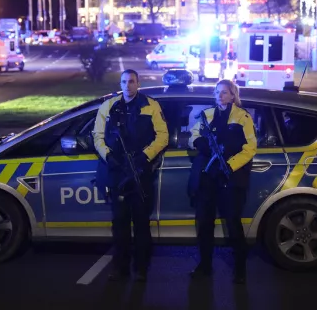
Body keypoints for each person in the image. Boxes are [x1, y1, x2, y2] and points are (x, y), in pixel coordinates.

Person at [92, 69, 169, 282]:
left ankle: (142, 268)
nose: (128, 85)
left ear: (138, 83)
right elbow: (97, 136)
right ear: (121, 83)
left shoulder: (151, 105)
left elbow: (163, 137)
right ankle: (120, 268)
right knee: (120, 224)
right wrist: (108, 157)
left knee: (142, 224)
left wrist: (145, 156)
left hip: (140, 172)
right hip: (117, 172)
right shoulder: (108, 106)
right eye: (124, 82)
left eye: (132, 81)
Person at [187, 79, 257, 284]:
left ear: (233, 95)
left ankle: (240, 269)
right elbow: (192, 135)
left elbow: (250, 147)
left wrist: (230, 165)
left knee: (233, 225)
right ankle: (205, 266)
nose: (220, 95)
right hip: (207, 179)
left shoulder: (242, 117)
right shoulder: (207, 115)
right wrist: (199, 143)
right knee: (205, 224)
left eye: (224, 92)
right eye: (217, 92)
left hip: (230, 179)